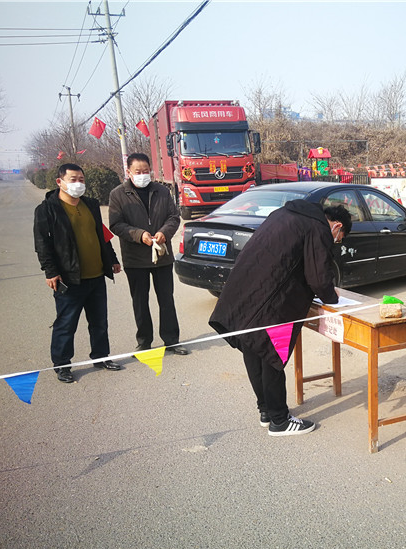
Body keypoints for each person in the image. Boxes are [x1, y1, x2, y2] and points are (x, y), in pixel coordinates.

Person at [209, 200, 351, 436]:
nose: (335, 241)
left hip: (247, 288)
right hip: (275, 301)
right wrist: (331, 297)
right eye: (339, 238)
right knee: (271, 354)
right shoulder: (318, 228)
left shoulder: (284, 213)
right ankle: (280, 420)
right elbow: (318, 277)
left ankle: (266, 410)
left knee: (253, 346)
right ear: (337, 226)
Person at [34, 163, 123, 383]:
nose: (78, 184)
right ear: (60, 182)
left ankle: (101, 357)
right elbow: (42, 244)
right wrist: (50, 271)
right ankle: (62, 365)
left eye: (81, 179)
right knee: (66, 324)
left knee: (99, 322)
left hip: (96, 276)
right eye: (73, 179)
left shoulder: (90, 204)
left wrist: (112, 259)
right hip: (69, 278)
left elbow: (102, 235)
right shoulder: (47, 209)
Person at [108, 153, 188, 355]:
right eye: (138, 171)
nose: (143, 175)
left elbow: (173, 217)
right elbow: (116, 224)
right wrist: (139, 234)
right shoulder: (117, 194)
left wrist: (164, 233)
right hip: (135, 258)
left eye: (146, 171)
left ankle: (171, 340)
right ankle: (144, 342)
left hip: (161, 256)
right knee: (140, 302)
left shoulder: (162, 191)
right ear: (128, 172)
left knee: (166, 300)